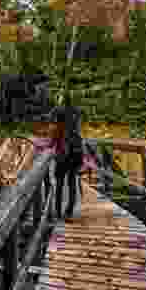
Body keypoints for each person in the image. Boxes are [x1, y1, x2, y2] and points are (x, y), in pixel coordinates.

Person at [49, 90, 84, 220]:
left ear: (62, 100)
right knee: (72, 182)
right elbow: (79, 133)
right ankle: (69, 212)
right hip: (76, 152)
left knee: (59, 183)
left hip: (63, 153)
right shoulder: (76, 113)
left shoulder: (58, 112)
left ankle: (57, 213)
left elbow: (56, 132)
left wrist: (50, 144)